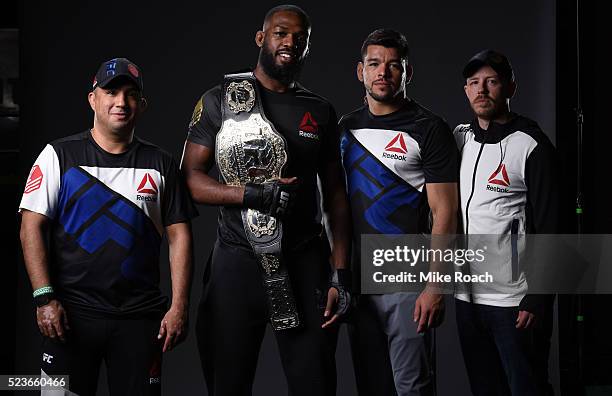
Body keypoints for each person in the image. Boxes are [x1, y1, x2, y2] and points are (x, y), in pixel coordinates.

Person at [180, 5, 351, 395]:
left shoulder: (320, 110)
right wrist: (250, 194)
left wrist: (340, 273)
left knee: (315, 384)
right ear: (261, 38)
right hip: (237, 263)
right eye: (280, 33)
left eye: (299, 38)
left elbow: (336, 198)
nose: (289, 42)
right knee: (228, 384)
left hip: (305, 260)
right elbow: (189, 179)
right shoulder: (218, 100)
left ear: (307, 47)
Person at [19, 58, 197, 395]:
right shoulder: (58, 156)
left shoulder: (160, 164)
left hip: (140, 319)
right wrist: (45, 299)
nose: (121, 102)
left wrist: (179, 306)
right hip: (69, 316)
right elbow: (31, 226)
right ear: (93, 99)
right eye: (111, 91)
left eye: (130, 95)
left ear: (141, 106)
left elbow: (180, 236)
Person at [339, 29, 458, 396]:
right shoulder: (345, 128)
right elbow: (334, 207)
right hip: (358, 279)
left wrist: (436, 285)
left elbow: (446, 213)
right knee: (371, 385)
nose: (383, 73)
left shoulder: (429, 128)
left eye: (393, 66)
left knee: (412, 388)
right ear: (361, 71)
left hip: (407, 274)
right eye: (374, 64)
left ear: (407, 72)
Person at [453, 49, 558, 395]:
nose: (482, 90)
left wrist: (539, 298)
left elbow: (551, 227)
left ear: (510, 87)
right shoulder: (461, 139)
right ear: (466, 90)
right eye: (474, 83)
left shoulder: (531, 145)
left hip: (514, 302)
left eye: (492, 82)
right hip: (468, 300)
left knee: (526, 388)